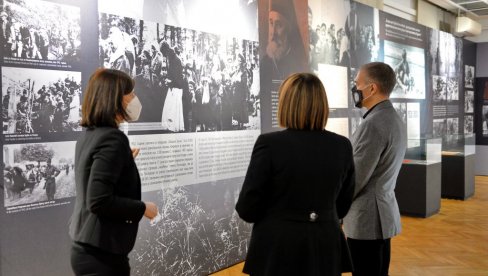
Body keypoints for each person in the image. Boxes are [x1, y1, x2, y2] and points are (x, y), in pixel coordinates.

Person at [236, 73, 355, 275]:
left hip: (278, 248)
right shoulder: (342, 145)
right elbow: (343, 206)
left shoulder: (270, 144)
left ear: (285, 104)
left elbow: (248, 208)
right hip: (325, 245)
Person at [69, 68, 158, 276]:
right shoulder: (113, 138)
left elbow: (97, 178)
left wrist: (124, 162)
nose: (135, 98)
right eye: (131, 93)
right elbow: (99, 200)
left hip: (88, 247)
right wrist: (143, 207)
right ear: (116, 97)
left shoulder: (90, 136)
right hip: (102, 253)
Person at [345, 62, 407, 276]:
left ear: (371, 88)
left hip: (366, 220)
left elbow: (357, 176)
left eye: (357, 84)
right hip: (382, 215)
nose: (354, 89)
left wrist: (336, 209)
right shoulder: (393, 118)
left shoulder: (372, 124)